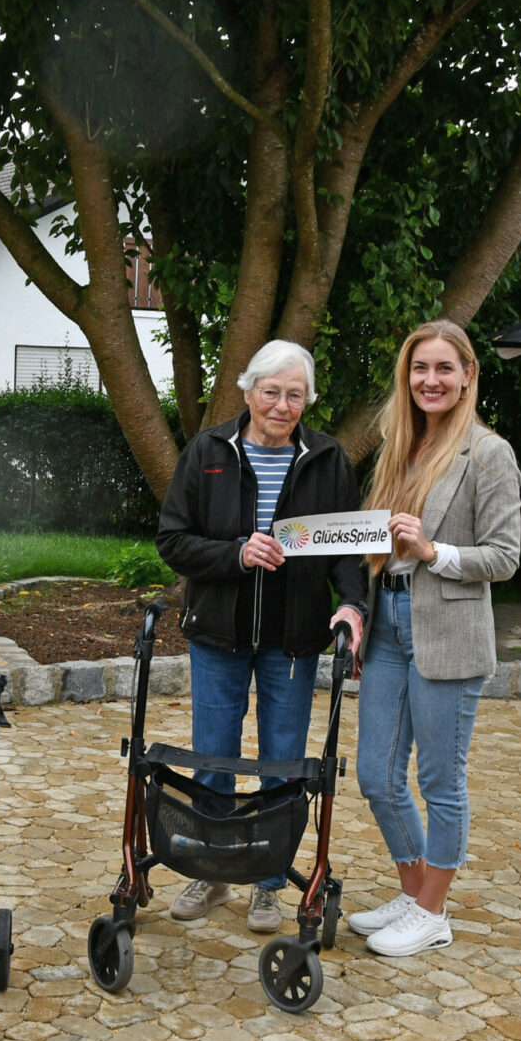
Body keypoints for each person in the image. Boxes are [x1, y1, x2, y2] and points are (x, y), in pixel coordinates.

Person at [155, 340, 368, 933]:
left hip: (293, 638)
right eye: (270, 392)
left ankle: (270, 882)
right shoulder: (209, 450)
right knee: (214, 757)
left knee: (281, 763)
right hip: (218, 634)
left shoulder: (327, 459)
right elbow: (172, 540)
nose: (281, 404)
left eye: (294, 394)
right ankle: (213, 867)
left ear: (307, 401)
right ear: (248, 392)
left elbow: (346, 549)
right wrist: (236, 553)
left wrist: (352, 604)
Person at [346, 320, 521, 958]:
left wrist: (432, 550)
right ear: (407, 376)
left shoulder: (489, 453)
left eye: (445, 368)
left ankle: (433, 911)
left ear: (468, 375)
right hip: (388, 624)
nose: (431, 380)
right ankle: (414, 889)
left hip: (447, 629)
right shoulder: (402, 445)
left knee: (440, 779)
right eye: (421, 369)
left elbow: (504, 557)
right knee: (375, 774)